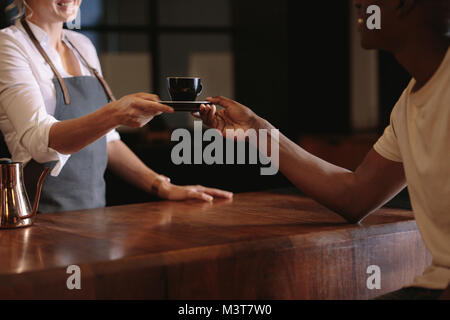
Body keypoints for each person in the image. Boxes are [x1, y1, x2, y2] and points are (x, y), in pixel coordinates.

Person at [196, 0, 450, 300]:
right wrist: (256, 129)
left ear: (404, 4)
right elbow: (355, 196)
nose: (356, 3)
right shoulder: (410, 101)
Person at [0, 0, 232, 213]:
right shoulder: (8, 44)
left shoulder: (82, 45)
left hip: (94, 214)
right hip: (40, 217)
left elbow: (107, 140)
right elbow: (39, 143)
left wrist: (162, 186)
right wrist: (115, 113)